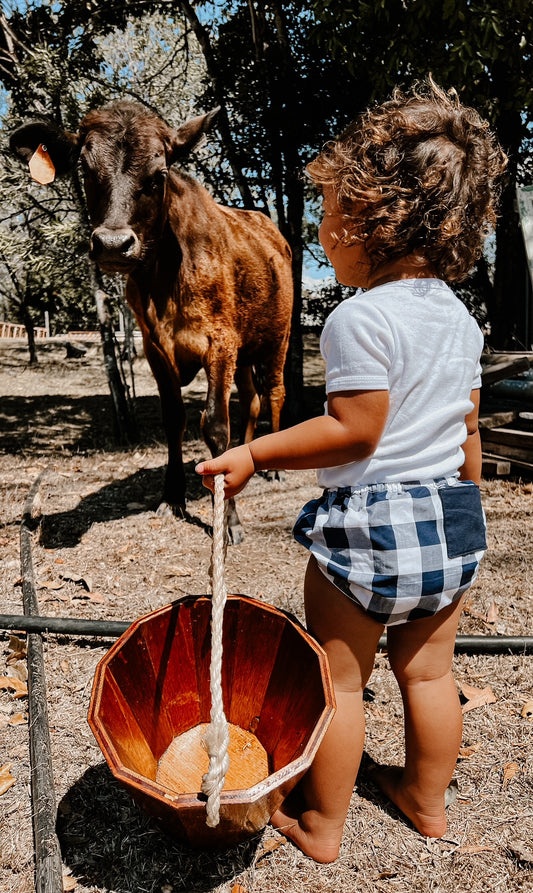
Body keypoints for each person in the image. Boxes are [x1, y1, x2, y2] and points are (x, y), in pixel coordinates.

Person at [196, 78, 507, 863]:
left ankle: (323, 826)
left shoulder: (357, 317)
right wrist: (466, 501)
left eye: (331, 215)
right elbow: (465, 429)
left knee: (338, 682)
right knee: (430, 676)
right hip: (452, 523)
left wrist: (255, 450)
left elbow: (353, 432)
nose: (323, 234)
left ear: (377, 218)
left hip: (370, 529)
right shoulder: (460, 320)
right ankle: (424, 801)